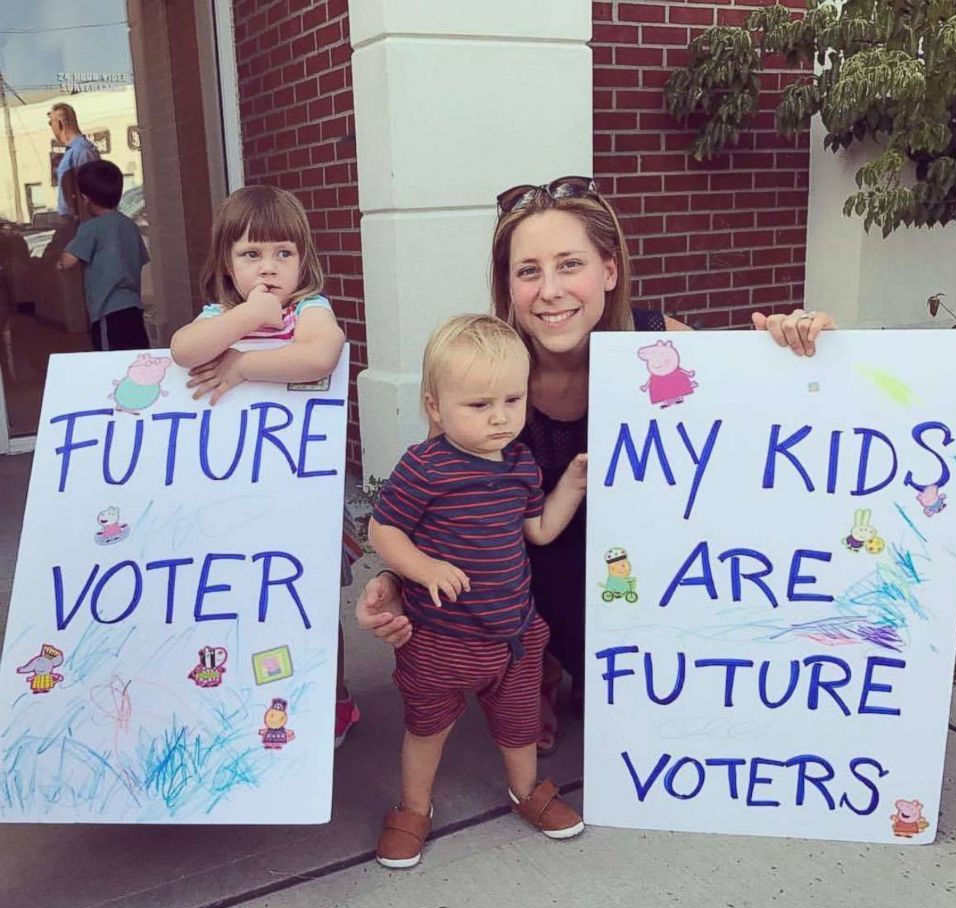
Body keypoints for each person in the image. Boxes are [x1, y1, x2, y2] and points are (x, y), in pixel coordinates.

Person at [357, 175, 838, 755]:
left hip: (648, 570)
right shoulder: (486, 373)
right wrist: (397, 580)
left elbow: (765, 436)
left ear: (609, 271)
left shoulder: (663, 345)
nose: (550, 290)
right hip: (532, 577)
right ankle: (535, 665)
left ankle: (602, 667)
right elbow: (446, 509)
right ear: (507, 286)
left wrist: (798, 351)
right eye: (528, 270)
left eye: (570, 264)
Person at [369, 314, 588, 869]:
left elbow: (537, 531)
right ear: (435, 406)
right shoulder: (426, 466)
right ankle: (413, 808)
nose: (500, 418)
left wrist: (570, 485)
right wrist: (421, 568)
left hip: (512, 636)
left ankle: (526, 791)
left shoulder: (520, 465)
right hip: (441, 638)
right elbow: (384, 528)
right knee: (427, 729)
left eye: (513, 401)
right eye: (479, 405)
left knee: (518, 728)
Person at [170, 184, 362, 748]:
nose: (269, 268)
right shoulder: (218, 316)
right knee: (252, 604)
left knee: (313, 600)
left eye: (283, 253)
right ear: (226, 263)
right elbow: (184, 350)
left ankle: (335, 699)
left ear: (303, 258)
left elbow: (319, 354)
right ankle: (259, 695)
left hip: (300, 497)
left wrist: (243, 366)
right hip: (237, 500)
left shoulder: (310, 310)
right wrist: (248, 315)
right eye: (251, 255)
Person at [57, 160, 150, 351]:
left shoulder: (91, 228)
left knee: (109, 365)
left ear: (85, 198)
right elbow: (140, 260)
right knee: (134, 358)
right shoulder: (129, 226)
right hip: (134, 309)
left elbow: (68, 261)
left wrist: (59, 262)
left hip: (107, 311)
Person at [48, 103, 100, 222]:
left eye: (51, 123)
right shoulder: (71, 152)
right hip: (72, 222)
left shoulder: (82, 151)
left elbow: (91, 194)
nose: (51, 128)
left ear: (60, 124)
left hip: (81, 223)